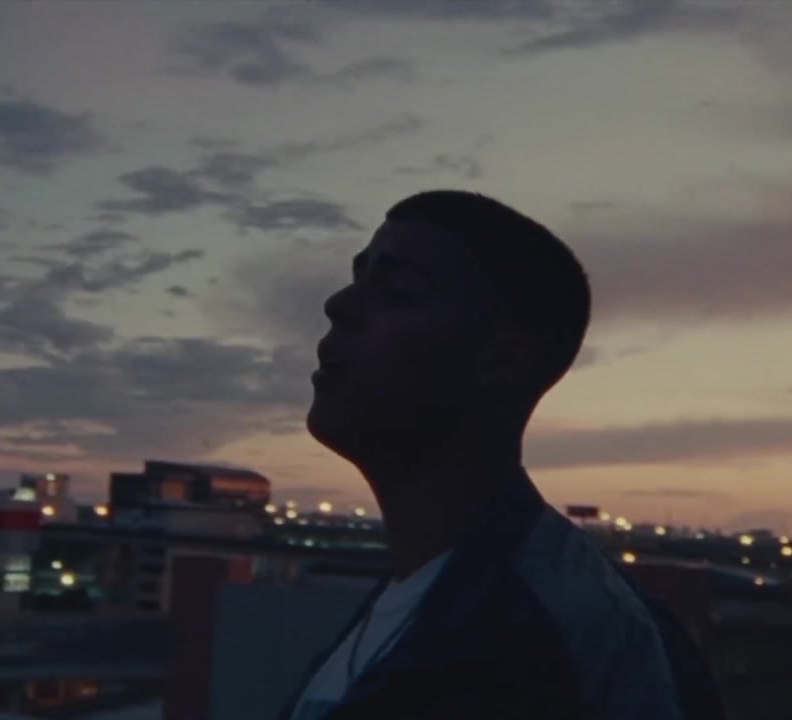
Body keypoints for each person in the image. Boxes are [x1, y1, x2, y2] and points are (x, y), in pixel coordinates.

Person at [280, 191, 725, 720]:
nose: (338, 304)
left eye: (398, 291)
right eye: (357, 279)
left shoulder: (554, 640)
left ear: (505, 355)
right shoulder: (431, 599)